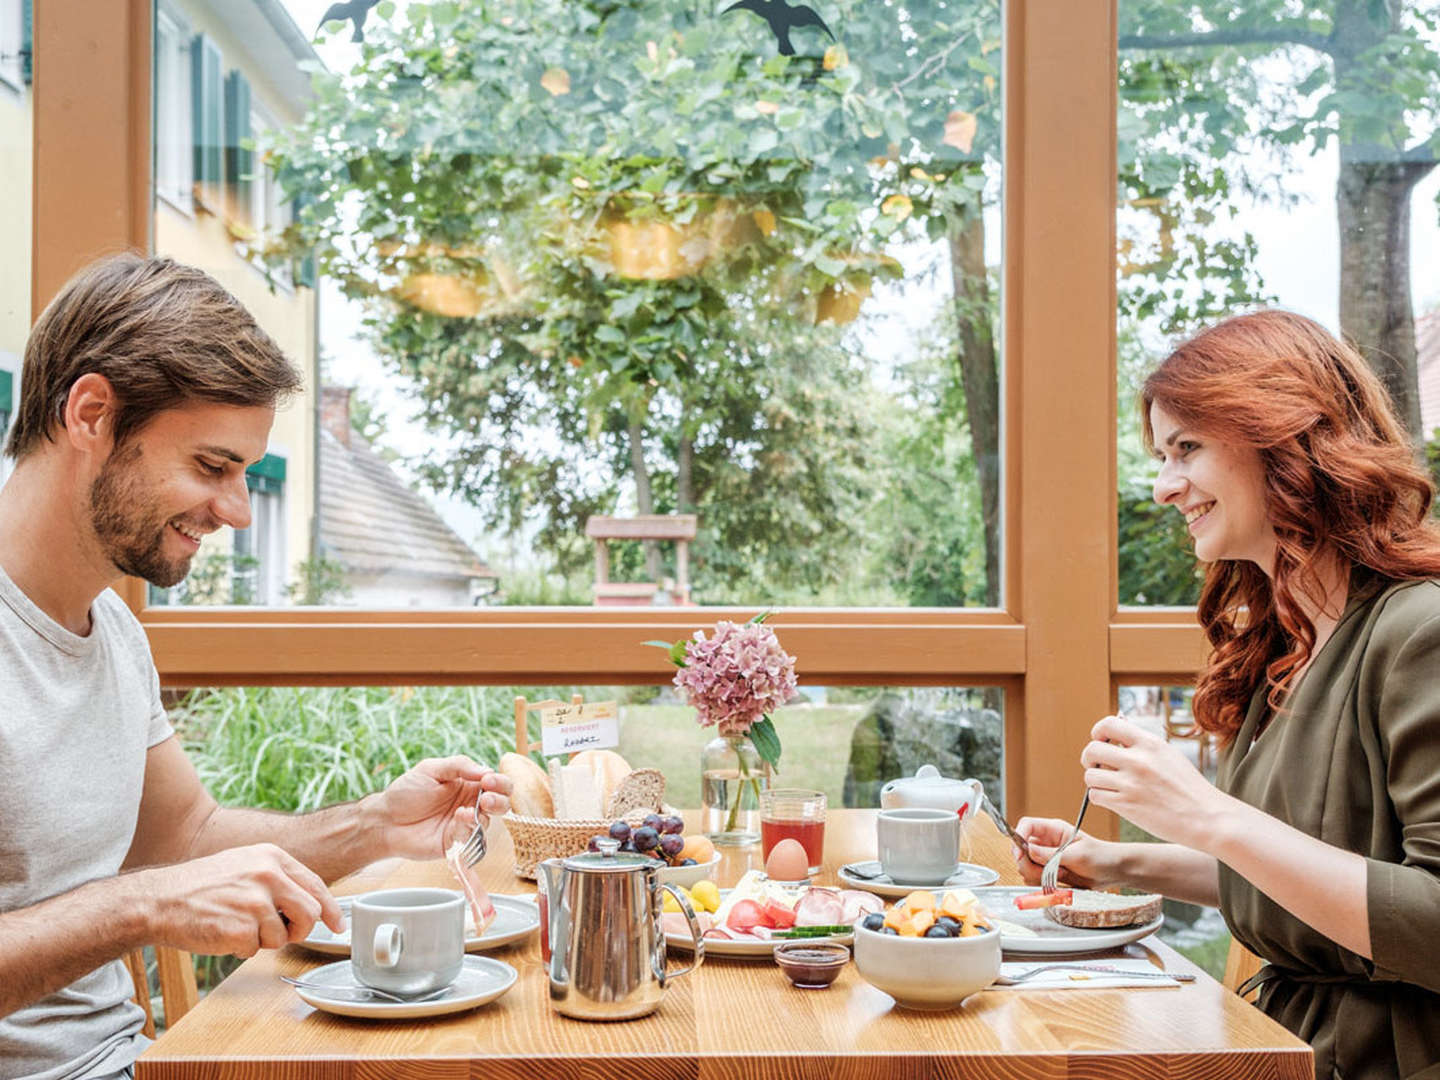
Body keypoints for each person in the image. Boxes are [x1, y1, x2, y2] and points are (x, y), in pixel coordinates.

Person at [0, 255, 513, 1080]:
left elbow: (185, 837)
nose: (237, 511)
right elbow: (159, 883)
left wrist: (378, 825)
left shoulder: (115, 633)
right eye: (212, 467)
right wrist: (144, 906)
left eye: (243, 474)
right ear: (91, 413)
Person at [1013, 309, 1440, 1079]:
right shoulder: (1287, 644)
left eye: (1187, 448)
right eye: (1161, 453)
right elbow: (1309, 879)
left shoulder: (1420, 630)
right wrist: (1118, 862)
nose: (1163, 484)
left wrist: (1207, 814)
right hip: (1276, 1042)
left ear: (1281, 437)